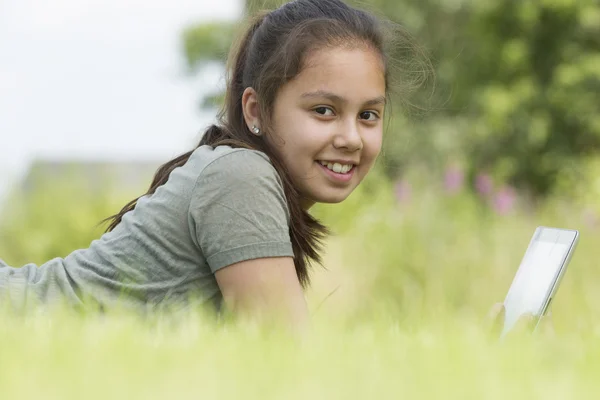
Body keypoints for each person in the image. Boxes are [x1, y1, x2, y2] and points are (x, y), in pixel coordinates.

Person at [1, 0, 506, 335]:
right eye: (323, 110)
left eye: (368, 115)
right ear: (255, 111)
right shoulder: (240, 176)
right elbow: (290, 372)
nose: (351, 137)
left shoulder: (239, 175)